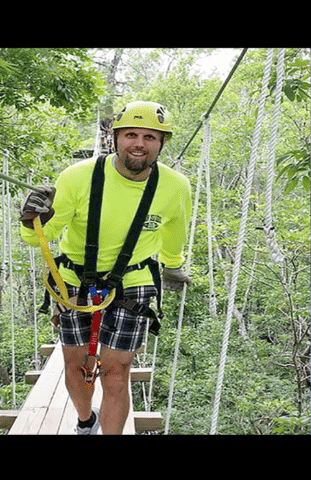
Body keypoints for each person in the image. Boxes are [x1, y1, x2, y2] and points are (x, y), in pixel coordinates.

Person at [20, 100, 192, 434]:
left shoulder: (175, 187)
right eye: (130, 134)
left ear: (162, 143)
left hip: (134, 280)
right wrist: (33, 220)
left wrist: (172, 266)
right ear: (115, 138)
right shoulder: (77, 177)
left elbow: (175, 232)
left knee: (116, 371)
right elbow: (42, 237)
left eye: (149, 137)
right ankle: (86, 421)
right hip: (73, 278)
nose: (139, 144)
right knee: (78, 364)